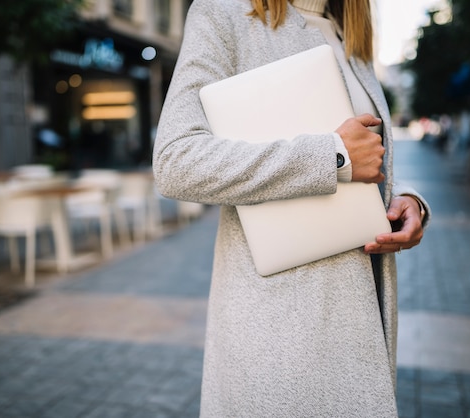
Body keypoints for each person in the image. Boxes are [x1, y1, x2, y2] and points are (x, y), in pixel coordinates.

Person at [153, 0, 430, 416]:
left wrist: (407, 199)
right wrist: (332, 156)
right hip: (282, 331)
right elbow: (176, 161)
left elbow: (367, 153)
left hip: (364, 316)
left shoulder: (347, 34)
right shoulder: (224, 14)